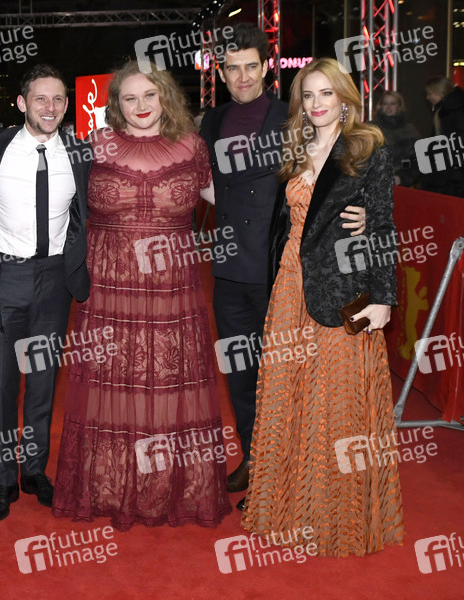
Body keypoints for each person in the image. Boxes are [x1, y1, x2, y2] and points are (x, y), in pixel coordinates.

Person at [52, 61, 232, 530]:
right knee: (114, 380)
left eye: (149, 95)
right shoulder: (96, 145)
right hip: (109, 287)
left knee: (168, 378)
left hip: (172, 288)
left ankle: (166, 487)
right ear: (116, 105)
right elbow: (56, 201)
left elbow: (229, 198)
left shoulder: (192, 145)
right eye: (129, 98)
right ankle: (109, 487)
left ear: (165, 96)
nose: (141, 106)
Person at [198, 24, 366, 510]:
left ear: (266, 68)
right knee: (240, 374)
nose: (243, 76)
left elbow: (336, 164)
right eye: (233, 68)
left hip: (281, 268)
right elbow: (205, 183)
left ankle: (287, 471)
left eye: (251, 66)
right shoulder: (212, 121)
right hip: (228, 271)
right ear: (221, 73)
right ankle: (254, 459)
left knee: (285, 375)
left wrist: (362, 211)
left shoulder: (291, 116)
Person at [242, 57, 404, 556]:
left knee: (340, 399)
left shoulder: (366, 149)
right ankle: (288, 506)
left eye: (326, 93)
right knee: (289, 396)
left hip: (345, 288)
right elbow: (285, 223)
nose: (316, 104)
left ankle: (336, 515)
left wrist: (384, 298)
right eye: (308, 95)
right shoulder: (294, 147)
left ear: (345, 99)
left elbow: (383, 226)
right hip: (290, 285)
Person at [0, 64, 91, 523]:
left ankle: (33, 471)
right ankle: (3, 480)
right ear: (22, 103)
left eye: (59, 99)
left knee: (42, 384)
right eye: (41, 99)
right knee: (2, 385)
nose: (50, 107)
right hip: (4, 276)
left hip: (54, 280)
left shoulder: (80, 153)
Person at [422, 76, 464, 197]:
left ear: (440, 92)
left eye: (430, 94)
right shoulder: (447, 109)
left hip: (453, 174)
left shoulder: (450, 111)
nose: (428, 97)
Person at [372, 91, 420, 187]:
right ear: (380, 106)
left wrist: (403, 178)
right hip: (375, 183)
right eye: (385, 104)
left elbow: (417, 162)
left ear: (399, 106)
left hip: (401, 184)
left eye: (393, 104)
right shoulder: (371, 130)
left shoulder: (410, 131)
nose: (388, 107)